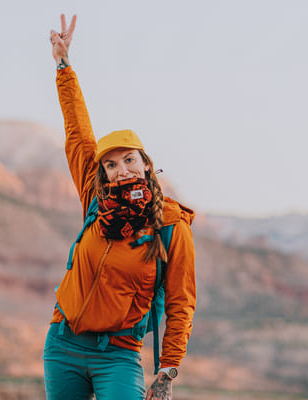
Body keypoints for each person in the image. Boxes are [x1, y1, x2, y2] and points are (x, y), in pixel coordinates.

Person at [43, 14, 196, 400]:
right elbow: (77, 131)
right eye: (110, 164)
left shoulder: (170, 225)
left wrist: (166, 373)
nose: (120, 169)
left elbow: (181, 301)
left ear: (146, 163)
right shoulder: (96, 200)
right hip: (63, 345)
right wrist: (64, 65)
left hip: (119, 355)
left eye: (128, 159)